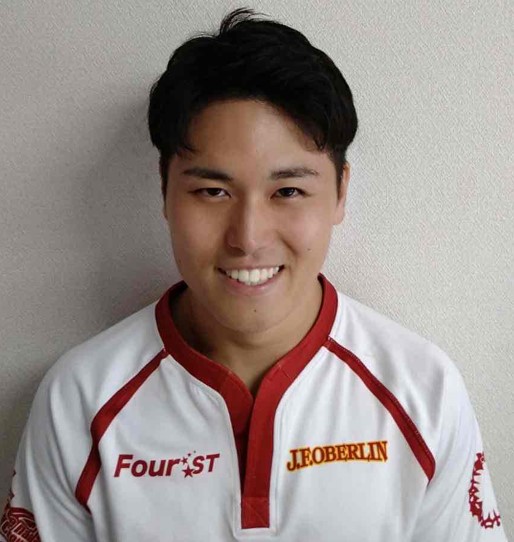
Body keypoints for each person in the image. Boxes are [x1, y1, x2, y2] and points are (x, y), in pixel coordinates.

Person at [0, 7, 507, 542]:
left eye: (288, 191)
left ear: (340, 192)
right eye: (212, 191)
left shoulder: (423, 391)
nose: (248, 237)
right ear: (164, 190)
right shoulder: (79, 400)